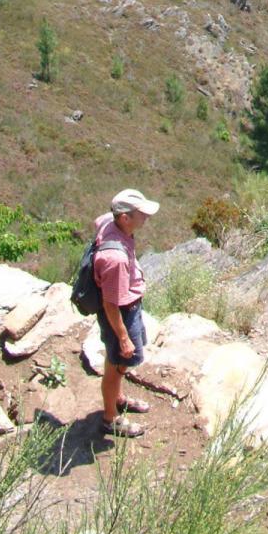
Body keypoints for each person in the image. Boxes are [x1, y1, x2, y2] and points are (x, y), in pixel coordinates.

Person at [94, 187, 159, 438]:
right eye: (141, 213)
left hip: (128, 306)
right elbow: (110, 303)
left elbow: (97, 221)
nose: (146, 218)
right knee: (117, 365)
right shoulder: (115, 259)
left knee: (121, 364)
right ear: (124, 218)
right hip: (121, 313)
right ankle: (110, 418)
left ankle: (118, 398)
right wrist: (123, 337)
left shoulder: (108, 222)